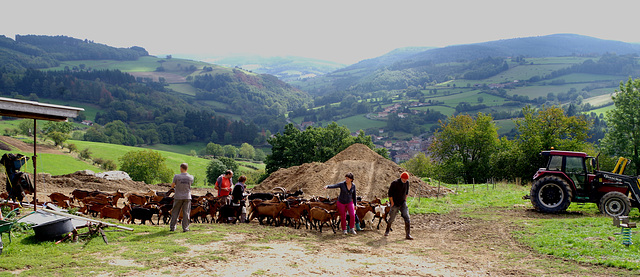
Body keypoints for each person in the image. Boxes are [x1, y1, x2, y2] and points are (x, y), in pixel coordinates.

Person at [385, 171, 413, 240]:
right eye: (404, 179)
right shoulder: (395, 183)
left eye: (406, 179)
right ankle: (387, 230)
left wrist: (405, 200)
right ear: (401, 177)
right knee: (392, 218)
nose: (405, 180)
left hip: (403, 203)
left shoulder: (407, 183)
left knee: (407, 217)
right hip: (395, 203)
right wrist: (392, 203)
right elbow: (390, 194)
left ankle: (408, 234)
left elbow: (407, 192)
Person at [169, 163, 194, 232]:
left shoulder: (176, 176)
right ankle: (185, 228)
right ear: (187, 168)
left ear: (181, 168)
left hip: (178, 196)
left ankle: (172, 227)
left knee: (175, 212)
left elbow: (172, 186)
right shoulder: (191, 177)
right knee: (186, 213)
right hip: (187, 196)